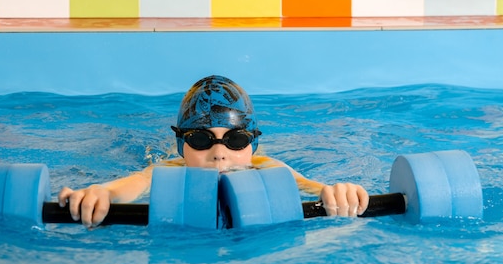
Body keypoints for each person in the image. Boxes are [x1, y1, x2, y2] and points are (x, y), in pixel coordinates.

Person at [59, 75, 369, 228]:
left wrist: (339, 192)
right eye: (201, 139)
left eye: (235, 141)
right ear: (182, 146)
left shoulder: (266, 166)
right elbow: (136, 183)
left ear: (251, 145)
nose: (220, 153)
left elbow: (312, 188)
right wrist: (103, 192)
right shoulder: (170, 169)